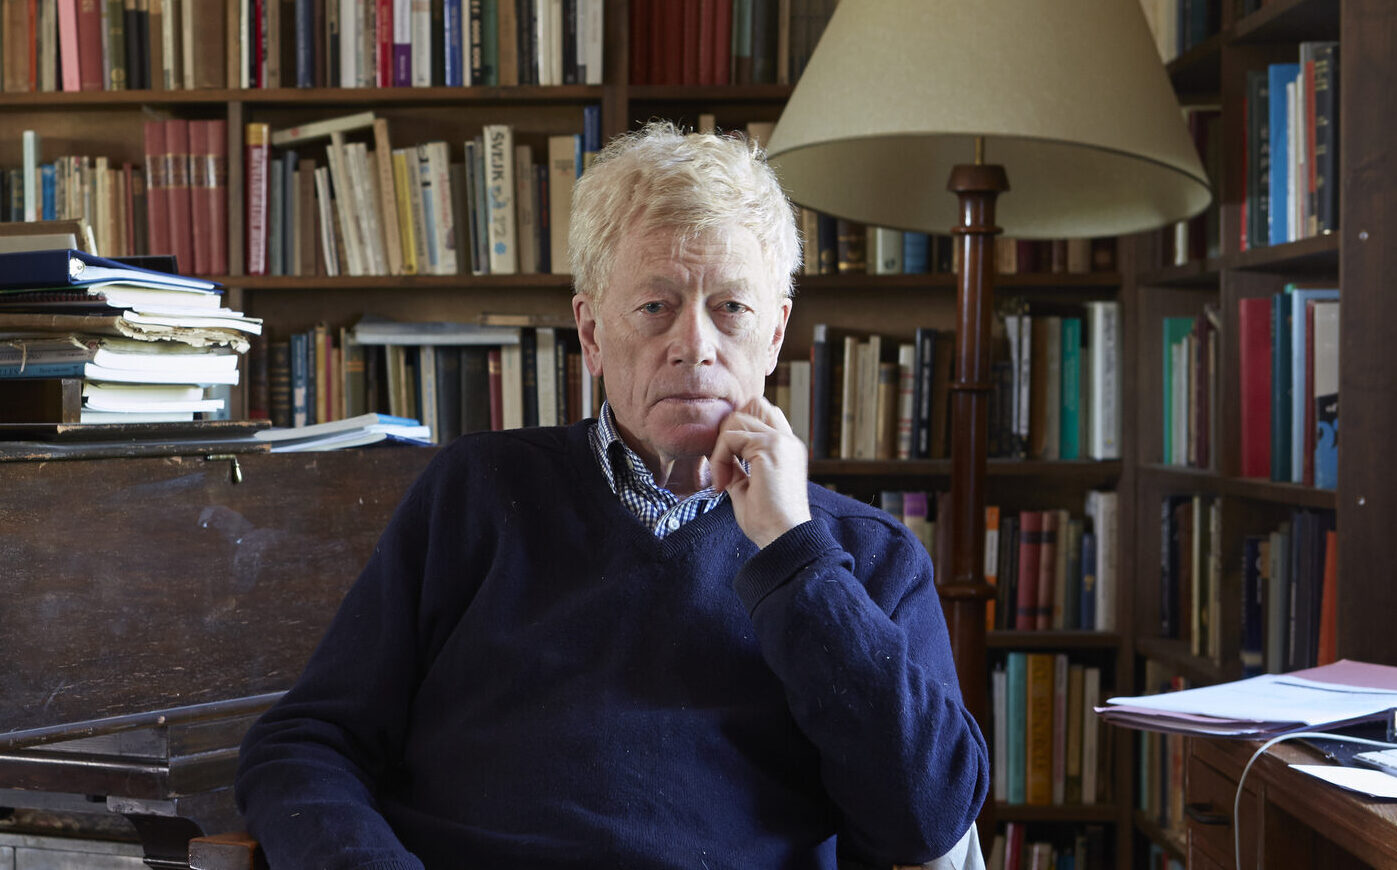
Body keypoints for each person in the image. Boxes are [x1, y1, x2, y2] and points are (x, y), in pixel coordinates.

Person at [234, 121, 988, 869]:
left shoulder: (865, 557)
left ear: (774, 335)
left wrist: (794, 555)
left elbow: (926, 820)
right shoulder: (479, 492)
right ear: (591, 333)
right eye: (656, 306)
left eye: (731, 308)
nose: (694, 345)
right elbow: (306, 746)